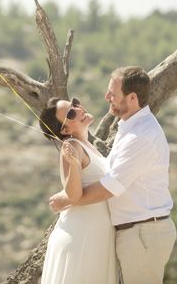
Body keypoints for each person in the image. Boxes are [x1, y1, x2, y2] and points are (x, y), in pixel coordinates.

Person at [49, 66, 177, 284]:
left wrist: (70, 198)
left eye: (113, 94)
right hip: (132, 232)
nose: (106, 96)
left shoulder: (140, 135)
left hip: (143, 232)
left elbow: (110, 186)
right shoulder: (129, 127)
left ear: (133, 97)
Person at [38, 97, 117, 284]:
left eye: (75, 103)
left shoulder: (87, 145)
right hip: (82, 238)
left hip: (97, 237)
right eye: (71, 113)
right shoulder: (72, 146)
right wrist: (73, 164)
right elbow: (74, 196)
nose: (79, 109)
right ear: (65, 130)